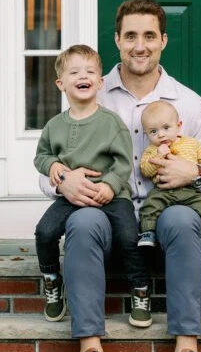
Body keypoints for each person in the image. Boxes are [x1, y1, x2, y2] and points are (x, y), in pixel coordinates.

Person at [38, 0, 201, 352]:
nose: (139, 45)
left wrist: (193, 173)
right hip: (111, 219)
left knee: (181, 218)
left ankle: (187, 350)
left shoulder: (188, 103)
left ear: (163, 40)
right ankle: (90, 349)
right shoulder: (91, 89)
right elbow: (52, 156)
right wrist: (62, 180)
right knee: (83, 219)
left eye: (148, 36)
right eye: (130, 36)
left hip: (167, 221)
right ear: (117, 41)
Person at [32, 45, 150, 328]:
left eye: (90, 72)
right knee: (44, 231)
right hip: (72, 195)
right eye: (73, 72)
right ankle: (51, 281)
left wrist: (109, 186)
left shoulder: (111, 123)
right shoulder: (54, 126)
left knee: (129, 238)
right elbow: (42, 155)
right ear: (61, 83)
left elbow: (124, 162)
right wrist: (54, 168)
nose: (82, 77)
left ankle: (140, 290)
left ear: (100, 82)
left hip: (111, 195)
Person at [137, 100, 201, 256]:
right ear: (146, 134)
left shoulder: (192, 144)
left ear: (178, 126)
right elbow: (145, 169)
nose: (161, 134)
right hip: (163, 191)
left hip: (190, 191)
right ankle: (148, 231)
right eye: (153, 132)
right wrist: (158, 155)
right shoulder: (152, 150)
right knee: (150, 205)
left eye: (166, 128)